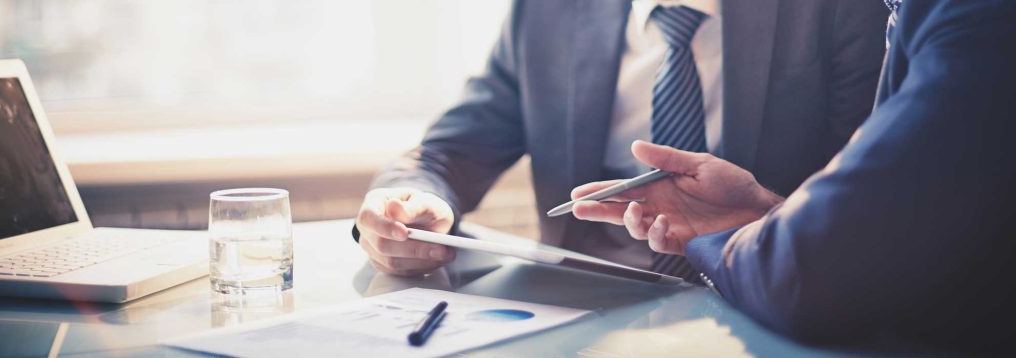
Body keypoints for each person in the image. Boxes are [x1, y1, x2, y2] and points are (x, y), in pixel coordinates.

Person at [570, 0, 1016, 350]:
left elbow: (821, 262)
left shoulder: (974, 16)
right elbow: (892, 213)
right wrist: (765, 215)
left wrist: (720, 240)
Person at [353, 0, 887, 278]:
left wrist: (767, 216)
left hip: (754, 294)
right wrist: (409, 201)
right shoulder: (548, 11)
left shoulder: (840, 10)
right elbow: (449, 151)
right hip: (583, 307)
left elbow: (871, 207)